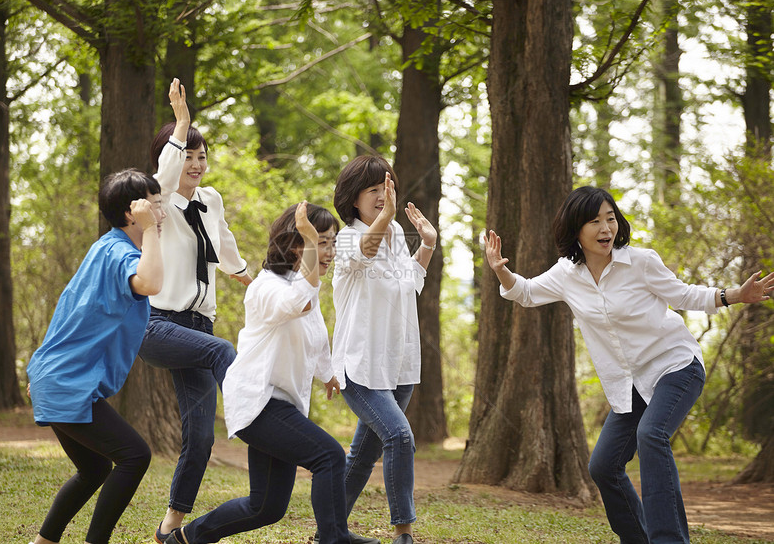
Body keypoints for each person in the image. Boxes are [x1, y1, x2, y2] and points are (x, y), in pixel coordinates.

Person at [484, 185, 774, 544]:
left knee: (651, 435)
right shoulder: (566, 274)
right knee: (603, 466)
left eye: (610, 219)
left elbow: (683, 294)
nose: (606, 228)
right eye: (594, 221)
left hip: (675, 366)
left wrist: (734, 296)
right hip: (629, 384)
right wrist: (500, 271)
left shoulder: (640, 261)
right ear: (576, 229)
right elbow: (525, 293)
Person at [164, 201, 349, 544]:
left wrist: (328, 373)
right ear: (296, 245)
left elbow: (316, 334)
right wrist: (311, 248)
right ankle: (335, 540)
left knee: (265, 506)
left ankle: (184, 538)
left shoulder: (303, 283)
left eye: (331, 242)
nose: (329, 251)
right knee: (329, 456)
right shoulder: (265, 287)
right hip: (259, 402)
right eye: (322, 241)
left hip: (281, 405)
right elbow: (294, 305)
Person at [139, 79, 251, 543]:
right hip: (159, 325)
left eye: (202, 156)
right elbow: (163, 176)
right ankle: (258, 422)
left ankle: (170, 527)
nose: (198, 164)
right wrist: (181, 123)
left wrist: (247, 275)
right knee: (224, 351)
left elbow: (225, 249)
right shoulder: (159, 203)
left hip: (198, 330)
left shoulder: (212, 201)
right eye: (189, 155)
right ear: (172, 158)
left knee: (201, 437)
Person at [26, 169, 166, 544]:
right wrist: (150, 229)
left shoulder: (109, 246)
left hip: (56, 377)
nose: (161, 214)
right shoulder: (119, 251)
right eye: (154, 206)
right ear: (130, 214)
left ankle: (43, 542)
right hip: (65, 380)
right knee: (135, 456)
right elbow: (150, 282)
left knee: (95, 468)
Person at [329, 155, 438, 544]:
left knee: (362, 456)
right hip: (359, 366)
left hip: (398, 365)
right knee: (399, 436)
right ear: (353, 198)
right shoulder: (345, 238)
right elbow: (364, 251)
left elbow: (412, 283)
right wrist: (387, 215)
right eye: (373, 190)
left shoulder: (395, 237)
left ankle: (330, 530)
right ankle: (404, 532)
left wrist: (427, 244)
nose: (380, 196)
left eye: (385, 188)